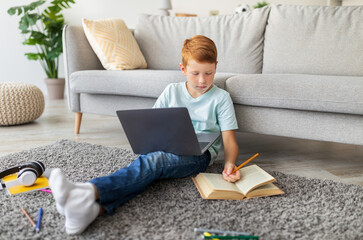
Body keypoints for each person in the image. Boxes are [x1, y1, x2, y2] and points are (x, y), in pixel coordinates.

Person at [49, 35, 241, 235]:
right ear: (183, 69)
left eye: (208, 73)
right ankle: (90, 211)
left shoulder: (221, 98)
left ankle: (86, 191)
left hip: (200, 155)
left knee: (152, 163)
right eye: (195, 73)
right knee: (146, 171)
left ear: (216, 67)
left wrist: (229, 164)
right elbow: (153, 122)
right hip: (168, 143)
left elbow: (229, 140)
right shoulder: (171, 91)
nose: (202, 80)